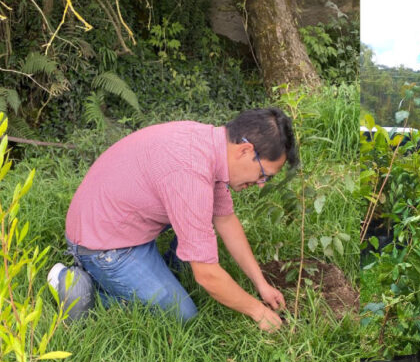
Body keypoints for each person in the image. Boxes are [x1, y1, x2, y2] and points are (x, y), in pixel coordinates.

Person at [50, 108, 298, 331]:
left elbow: (225, 220)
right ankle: (78, 286)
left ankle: (159, 270)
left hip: (123, 221)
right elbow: (207, 275)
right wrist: (257, 311)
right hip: (104, 246)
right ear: (245, 150)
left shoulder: (209, 145)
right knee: (181, 314)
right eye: (264, 174)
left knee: (196, 237)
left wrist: (261, 284)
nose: (260, 183)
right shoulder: (190, 171)